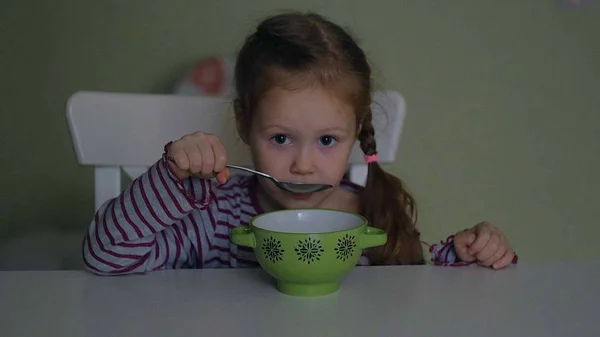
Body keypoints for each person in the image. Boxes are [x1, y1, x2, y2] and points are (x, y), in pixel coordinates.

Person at [82, 11, 517, 275]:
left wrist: (467, 255)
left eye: (327, 139)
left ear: (356, 132)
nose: (304, 164)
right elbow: (106, 257)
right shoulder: (214, 218)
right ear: (244, 123)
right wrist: (171, 181)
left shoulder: (375, 213)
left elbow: (417, 289)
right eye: (281, 138)